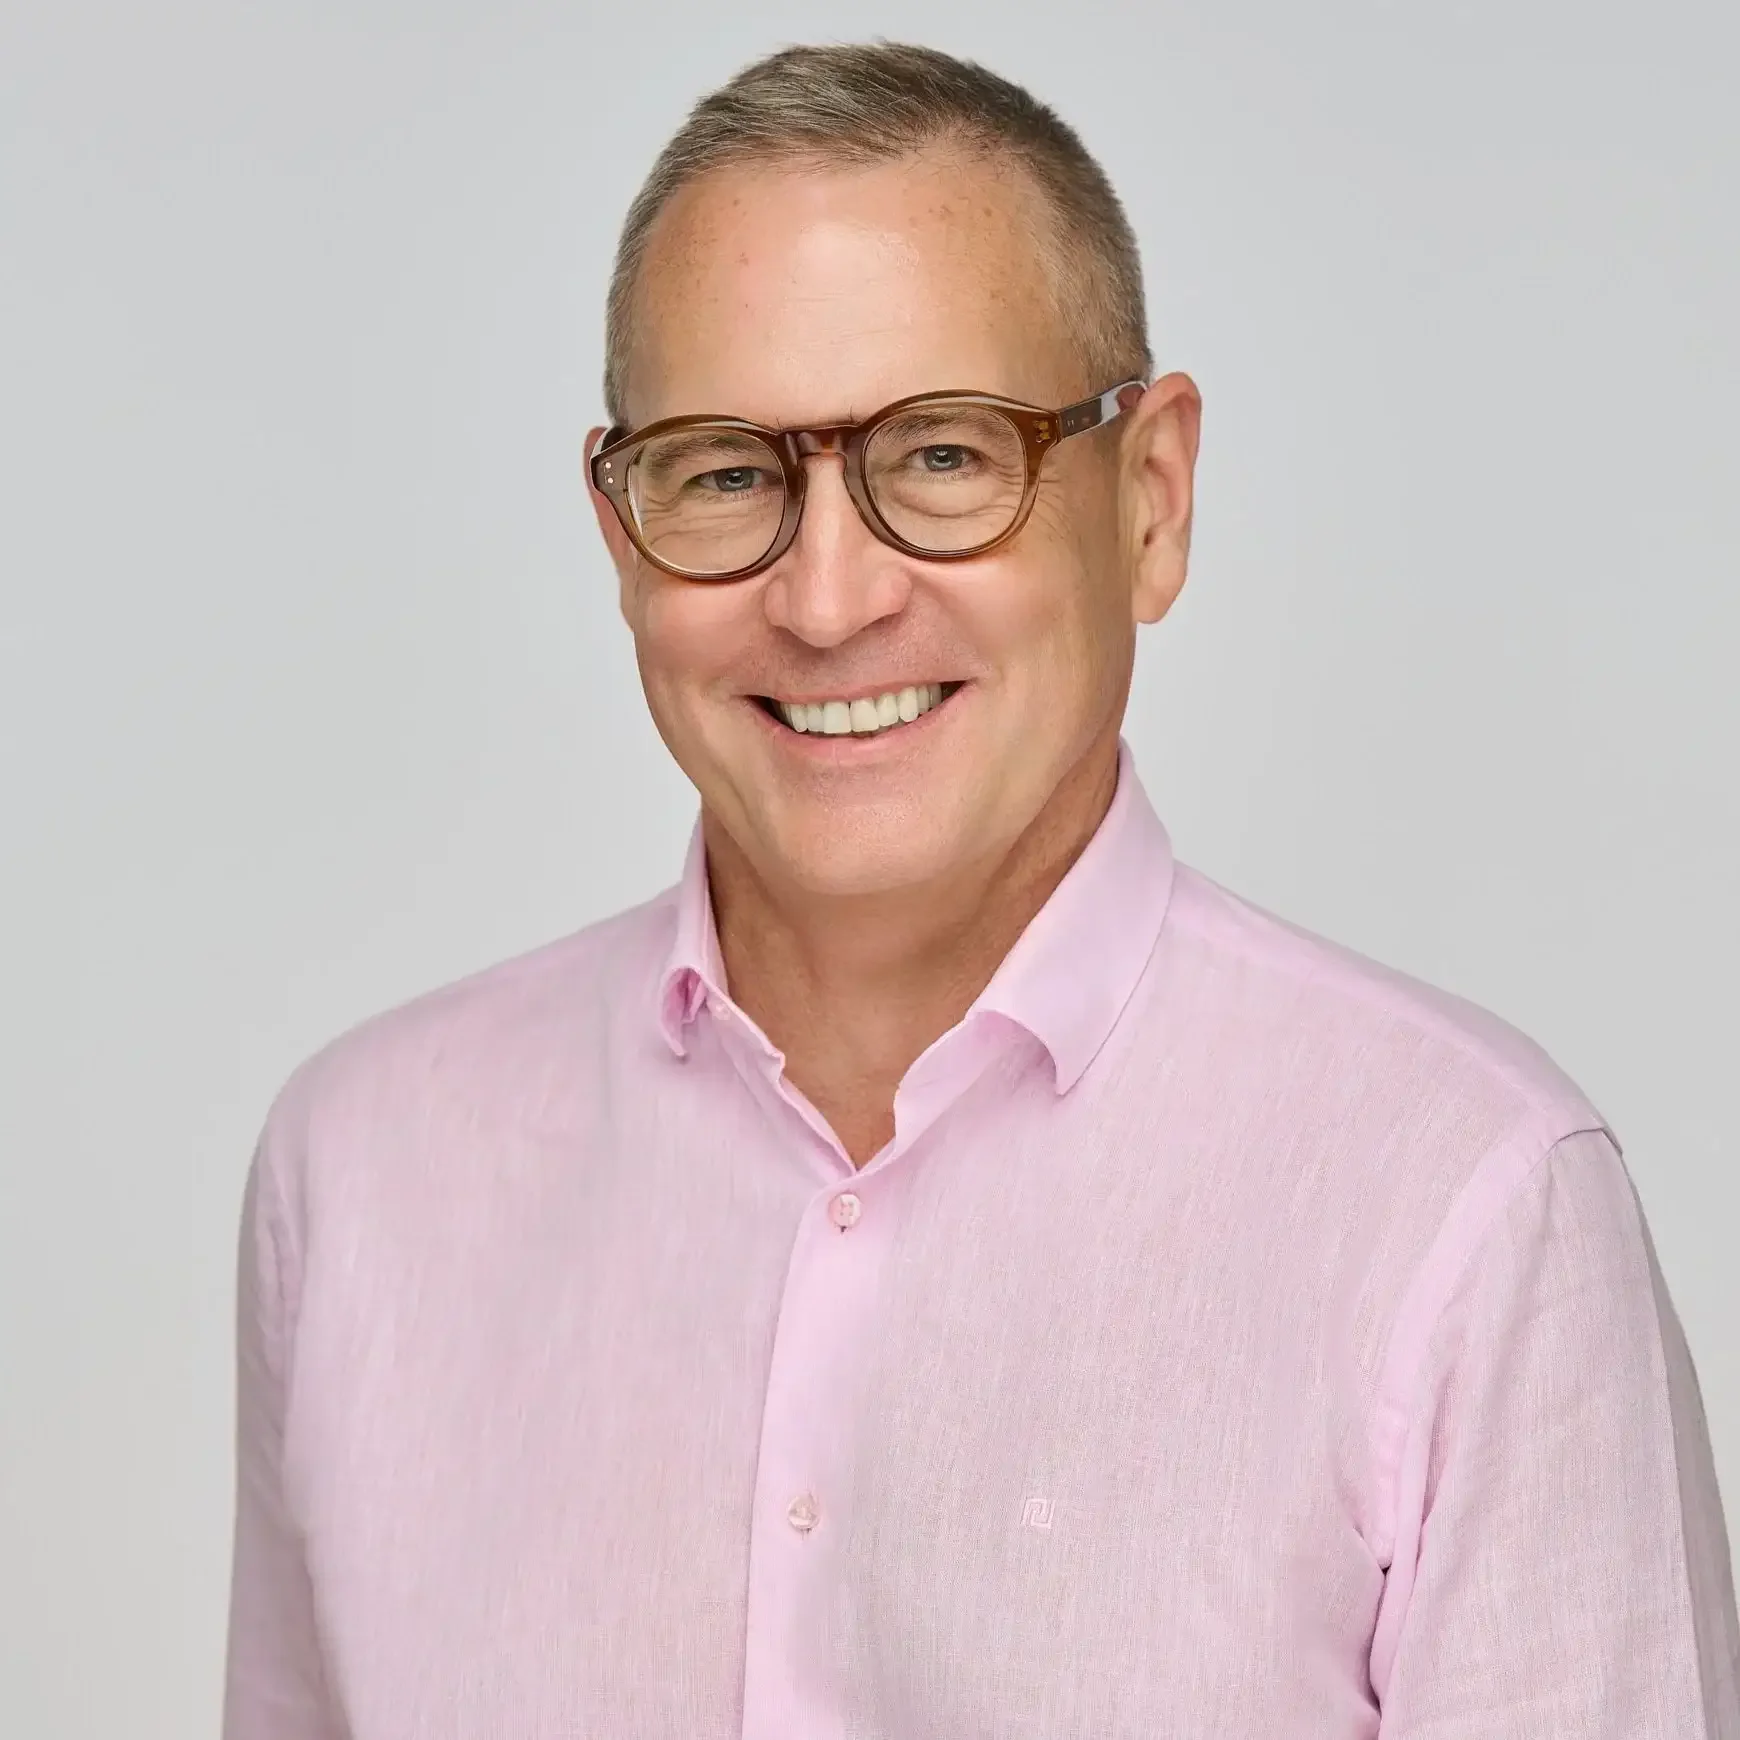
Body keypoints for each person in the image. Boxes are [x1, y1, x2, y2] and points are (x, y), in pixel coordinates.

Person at [223, 39, 1739, 1740]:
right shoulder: (358, 1183)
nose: (826, 596)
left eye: (944, 455)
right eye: (725, 472)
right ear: (620, 534)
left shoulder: (1465, 1212)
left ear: (1151, 502)